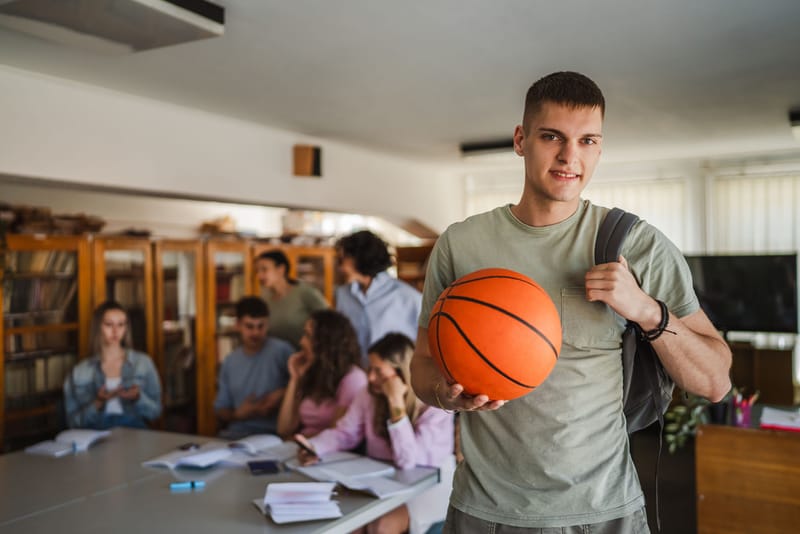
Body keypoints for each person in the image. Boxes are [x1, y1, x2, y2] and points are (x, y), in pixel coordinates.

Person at [409, 71, 732, 533]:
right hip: (483, 512)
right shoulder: (460, 245)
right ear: (521, 139)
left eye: (587, 141)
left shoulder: (636, 245)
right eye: (552, 136)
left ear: (600, 148)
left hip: (604, 514)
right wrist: (445, 396)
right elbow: (422, 364)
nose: (569, 156)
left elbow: (715, 381)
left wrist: (645, 310)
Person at [295, 332, 455, 534]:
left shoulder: (435, 406)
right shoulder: (368, 394)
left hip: (429, 485)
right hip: (384, 480)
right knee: (352, 523)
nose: (370, 377)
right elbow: (345, 433)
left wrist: (395, 403)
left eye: (378, 371)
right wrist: (314, 446)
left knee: (381, 526)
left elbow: (408, 460)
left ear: (402, 373)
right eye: (369, 369)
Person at [63, 301, 162, 430]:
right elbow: (73, 422)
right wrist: (98, 402)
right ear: (98, 327)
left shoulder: (143, 363)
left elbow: (156, 412)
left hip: (135, 433)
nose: (115, 331)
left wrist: (138, 398)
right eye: (109, 324)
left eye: (121, 324)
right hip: (96, 435)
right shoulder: (79, 371)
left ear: (126, 328)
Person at [276, 309, 367, 439]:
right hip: (301, 446)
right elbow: (284, 428)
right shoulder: (314, 371)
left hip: (327, 452)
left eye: (308, 336)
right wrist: (294, 379)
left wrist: (295, 440)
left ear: (326, 343)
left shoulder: (353, 378)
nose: (301, 342)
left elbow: (337, 434)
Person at [335, 230, 422, 366]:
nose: (339, 267)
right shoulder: (343, 295)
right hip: (357, 377)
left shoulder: (408, 297)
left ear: (359, 258)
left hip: (392, 379)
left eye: (342, 260)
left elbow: (424, 343)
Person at [214, 296, 294, 439]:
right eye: (249, 326)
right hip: (236, 434)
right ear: (238, 325)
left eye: (261, 326)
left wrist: (282, 393)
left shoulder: (282, 351)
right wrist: (238, 414)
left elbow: (307, 386)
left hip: (273, 435)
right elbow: (220, 409)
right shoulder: (230, 362)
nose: (256, 333)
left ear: (268, 324)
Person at [255, 249, 328, 348]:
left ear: (281, 269)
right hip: (277, 358)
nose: (259, 275)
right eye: (257, 271)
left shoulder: (305, 293)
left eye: (264, 269)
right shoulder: (265, 299)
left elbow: (329, 322)